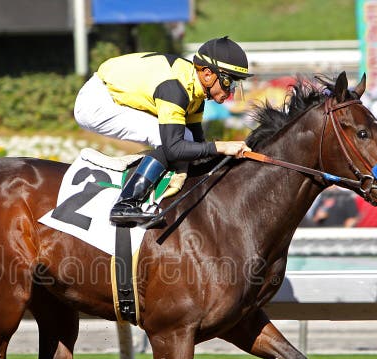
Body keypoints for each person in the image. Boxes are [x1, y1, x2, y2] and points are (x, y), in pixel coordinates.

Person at [74, 36, 254, 225]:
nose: (231, 91)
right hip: (95, 103)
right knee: (166, 139)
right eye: (229, 82)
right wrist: (222, 147)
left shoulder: (196, 91)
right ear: (208, 74)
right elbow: (173, 148)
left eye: (235, 84)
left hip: (114, 94)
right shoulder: (175, 90)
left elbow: (196, 142)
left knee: (187, 138)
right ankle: (125, 204)